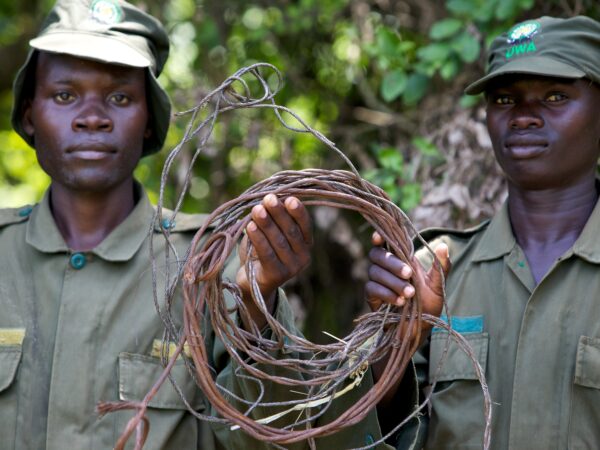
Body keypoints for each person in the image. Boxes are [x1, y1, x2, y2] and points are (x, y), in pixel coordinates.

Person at [0, 0, 390, 449]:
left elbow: (280, 438)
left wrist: (254, 307)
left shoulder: (212, 262)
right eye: (65, 95)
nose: (93, 117)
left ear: (150, 122)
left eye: (120, 97)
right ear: (30, 114)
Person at [365, 15, 600, 449]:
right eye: (505, 99)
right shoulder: (438, 272)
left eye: (554, 96)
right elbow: (391, 435)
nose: (524, 117)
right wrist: (391, 350)